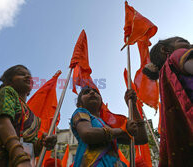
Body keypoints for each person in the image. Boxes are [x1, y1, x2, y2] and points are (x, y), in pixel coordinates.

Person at [142, 37, 193, 167]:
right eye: (184, 42)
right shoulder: (177, 55)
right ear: (165, 49)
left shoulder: (164, 80)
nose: (188, 44)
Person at [70, 87, 148, 167]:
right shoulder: (80, 112)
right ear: (79, 103)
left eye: (96, 92)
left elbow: (141, 138)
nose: (92, 93)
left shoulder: (108, 125)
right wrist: (122, 130)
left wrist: (133, 106)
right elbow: (87, 134)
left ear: (101, 102)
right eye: (86, 92)